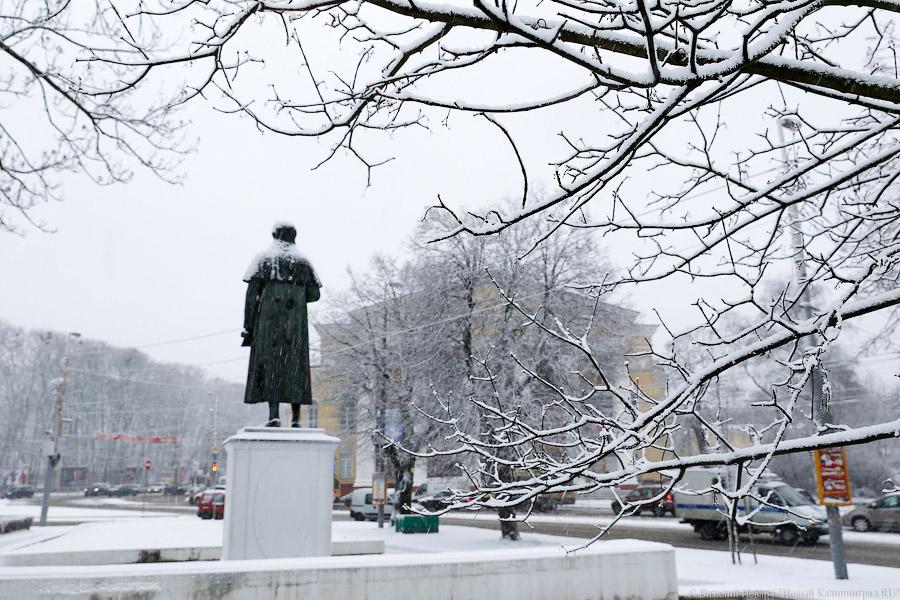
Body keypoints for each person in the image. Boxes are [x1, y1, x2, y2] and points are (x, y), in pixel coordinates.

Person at [242, 222, 321, 426]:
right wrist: (294, 295)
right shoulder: (304, 262)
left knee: (273, 367)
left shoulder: (263, 259)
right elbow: (314, 294)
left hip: (269, 325)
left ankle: (274, 415)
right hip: (296, 327)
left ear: (275, 236)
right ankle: (295, 418)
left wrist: (249, 326)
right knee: (296, 368)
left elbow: (251, 297)